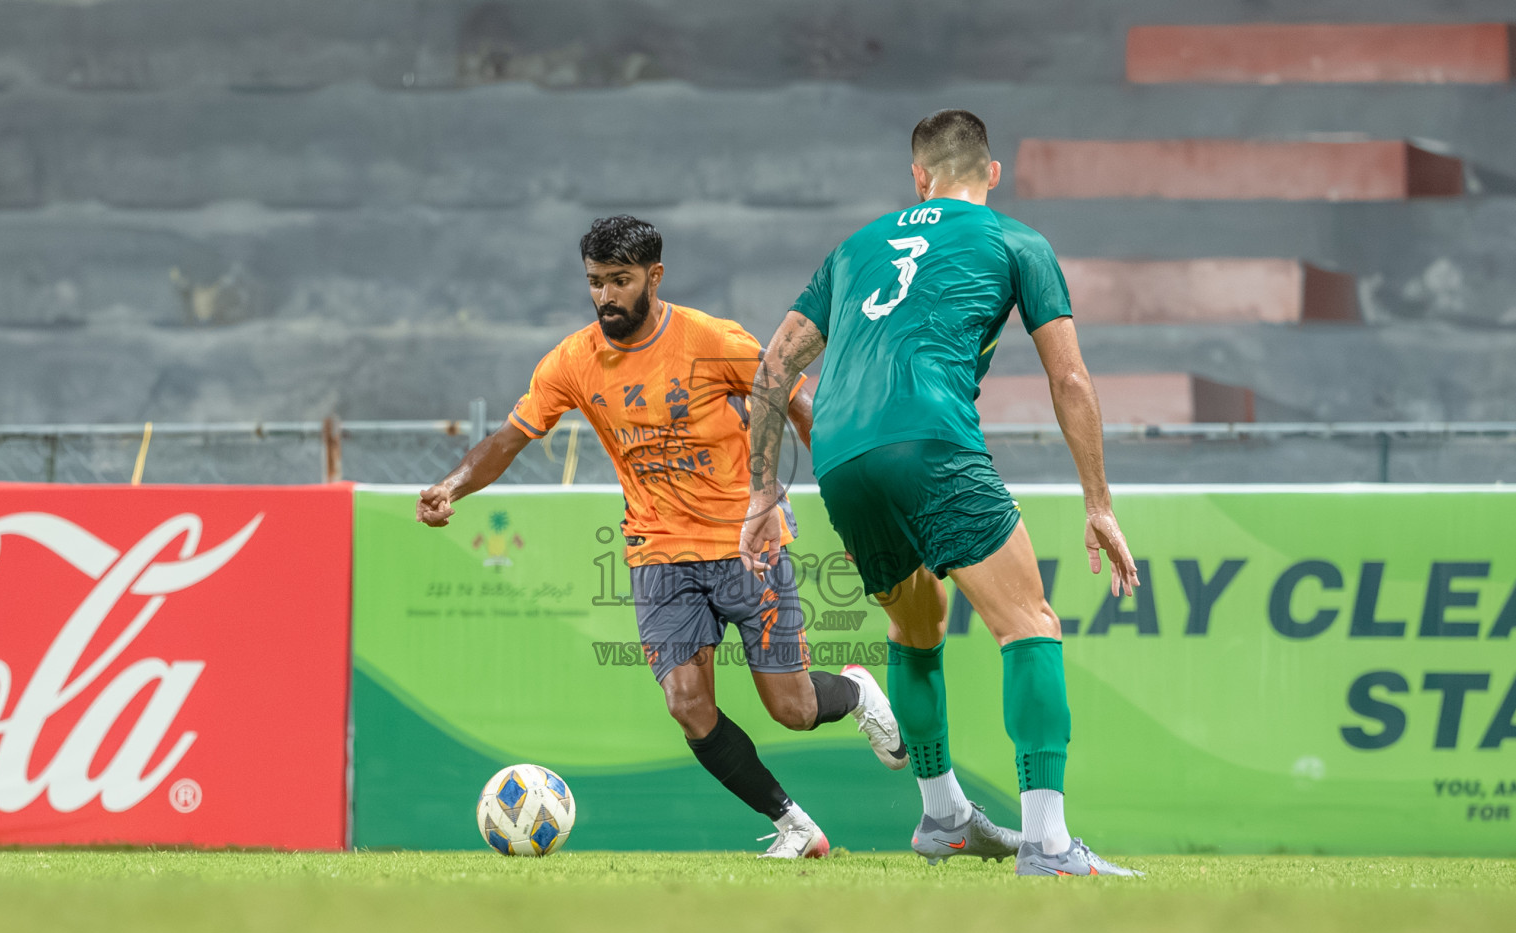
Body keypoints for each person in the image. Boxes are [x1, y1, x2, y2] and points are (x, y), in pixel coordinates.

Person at [418, 215, 907, 860]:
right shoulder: (572, 360)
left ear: (655, 276)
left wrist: (853, 505)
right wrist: (452, 486)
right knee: (687, 704)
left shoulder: (711, 341)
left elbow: (797, 403)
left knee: (790, 707)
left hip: (746, 545)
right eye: (595, 282)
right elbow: (510, 437)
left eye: (619, 281)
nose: (605, 297)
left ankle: (856, 691)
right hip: (658, 554)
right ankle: (794, 825)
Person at [740, 110, 1142, 876]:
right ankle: (1049, 845)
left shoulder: (854, 248)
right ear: (991, 173)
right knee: (1029, 624)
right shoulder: (1015, 240)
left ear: (916, 178)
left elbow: (772, 370)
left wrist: (764, 492)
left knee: (916, 626)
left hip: (842, 455)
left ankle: (944, 817)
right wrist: (1098, 503)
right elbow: (1068, 377)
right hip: (929, 441)